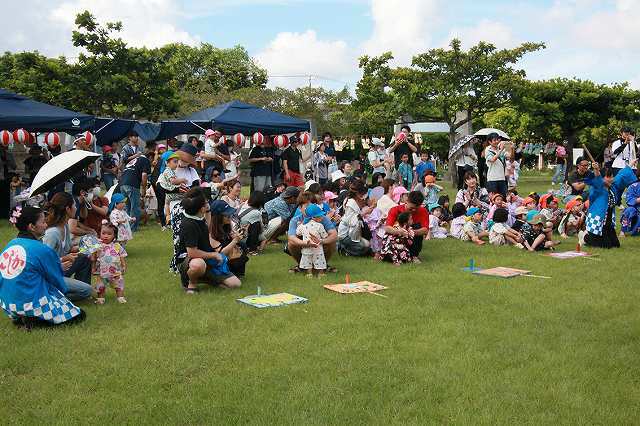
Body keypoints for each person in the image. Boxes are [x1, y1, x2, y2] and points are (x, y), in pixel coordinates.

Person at [0, 206, 86, 328]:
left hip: (8, 304)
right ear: (32, 227)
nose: (46, 225)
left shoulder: (10, 244)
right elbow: (57, 281)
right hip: (32, 302)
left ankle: (22, 318)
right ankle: (36, 320)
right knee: (79, 314)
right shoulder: (42, 249)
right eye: (43, 222)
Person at [176, 191, 241, 293]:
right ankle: (191, 283)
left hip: (206, 259)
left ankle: (206, 278)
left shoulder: (199, 217)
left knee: (235, 284)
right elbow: (192, 253)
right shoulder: (189, 224)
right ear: (201, 208)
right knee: (198, 264)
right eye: (206, 202)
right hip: (189, 259)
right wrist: (214, 255)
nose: (208, 203)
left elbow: (209, 223)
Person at [41, 193, 93, 298]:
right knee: (87, 290)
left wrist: (90, 246)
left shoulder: (65, 226)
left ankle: (75, 287)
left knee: (84, 257)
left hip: (61, 269)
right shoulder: (52, 233)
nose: (76, 208)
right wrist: (63, 259)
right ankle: (51, 296)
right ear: (67, 209)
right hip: (51, 274)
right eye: (74, 205)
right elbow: (43, 261)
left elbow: (69, 249)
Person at [583, 162, 637, 248]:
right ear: (602, 177)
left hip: (608, 222)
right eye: (608, 177)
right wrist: (596, 169)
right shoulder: (597, 188)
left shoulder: (613, 187)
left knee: (616, 245)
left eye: (612, 176)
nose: (611, 179)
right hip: (599, 221)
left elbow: (622, 174)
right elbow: (598, 179)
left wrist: (630, 165)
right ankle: (585, 237)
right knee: (606, 246)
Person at [287, 191, 338, 273]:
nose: (310, 208)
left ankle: (323, 265)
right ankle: (302, 266)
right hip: (303, 245)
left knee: (332, 242)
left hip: (319, 246)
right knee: (291, 244)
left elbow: (334, 235)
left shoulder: (322, 218)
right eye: (307, 206)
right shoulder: (295, 220)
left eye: (312, 205)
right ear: (300, 208)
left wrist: (321, 241)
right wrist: (305, 243)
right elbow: (291, 238)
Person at [91, 220, 127, 304]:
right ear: (99, 233)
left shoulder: (117, 246)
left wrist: (124, 265)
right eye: (103, 233)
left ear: (114, 236)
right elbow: (94, 258)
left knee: (118, 285)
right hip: (101, 272)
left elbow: (121, 256)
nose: (106, 236)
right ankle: (100, 298)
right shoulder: (98, 245)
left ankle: (120, 297)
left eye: (109, 234)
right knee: (100, 286)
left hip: (115, 272)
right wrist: (93, 267)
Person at [384, 191, 429, 259]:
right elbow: (387, 227)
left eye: (416, 209)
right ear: (407, 201)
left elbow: (425, 230)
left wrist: (410, 232)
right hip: (396, 239)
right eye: (411, 208)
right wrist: (399, 231)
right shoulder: (395, 210)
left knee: (417, 227)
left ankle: (414, 255)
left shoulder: (423, 211)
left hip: (412, 238)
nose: (413, 210)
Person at [119, 147, 151, 232]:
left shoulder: (134, 160)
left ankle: (125, 227)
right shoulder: (145, 161)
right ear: (150, 157)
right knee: (135, 207)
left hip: (122, 184)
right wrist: (144, 189)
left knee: (127, 207)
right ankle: (132, 228)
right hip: (132, 184)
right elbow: (144, 176)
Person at [337, 180, 372, 256]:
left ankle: (347, 248)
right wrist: (365, 213)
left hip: (353, 232)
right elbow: (353, 222)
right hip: (345, 234)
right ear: (358, 193)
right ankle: (344, 249)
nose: (363, 196)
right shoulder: (351, 203)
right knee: (364, 247)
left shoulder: (353, 200)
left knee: (368, 245)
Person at [295, 204, 328, 277]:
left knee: (308, 260)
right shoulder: (320, 226)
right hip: (317, 248)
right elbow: (325, 236)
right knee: (320, 260)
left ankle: (309, 273)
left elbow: (298, 233)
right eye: (320, 216)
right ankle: (321, 273)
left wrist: (299, 225)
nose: (322, 217)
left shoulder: (303, 225)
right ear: (314, 217)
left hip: (306, 247)